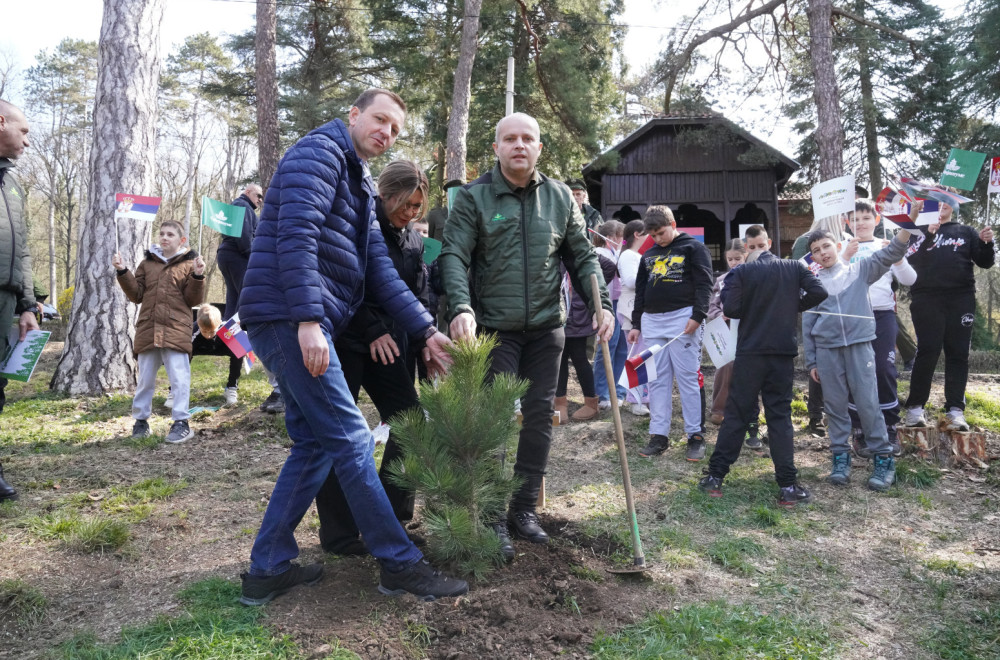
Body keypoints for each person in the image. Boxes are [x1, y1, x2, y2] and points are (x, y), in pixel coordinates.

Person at [237, 88, 467, 605]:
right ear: (354, 115)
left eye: (394, 129)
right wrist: (308, 320)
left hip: (291, 318)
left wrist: (427, 330)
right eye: (379, 119)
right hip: (283, 317)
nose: (385, 132)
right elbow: (296, 238)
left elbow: (379, 272)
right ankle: (398, 563)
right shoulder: (317, 154)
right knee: (352, 438)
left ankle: (267, 567)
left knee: (316, 444)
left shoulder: (358, 178)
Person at [440, 112, 613, 560]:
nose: (519, 145)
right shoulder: (473, 198)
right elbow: (454, 256)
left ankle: (523, 509)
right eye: (510, 139)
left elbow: (583, 258)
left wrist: (602, 305)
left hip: (545, 329)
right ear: (496, 148)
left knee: (540, 416)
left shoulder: (559, 198)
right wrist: (461, 307)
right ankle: (494, 515)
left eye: (528, 139)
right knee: (498, 419)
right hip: (493, 329)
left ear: (539, 148)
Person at [315, 160, 431, 555]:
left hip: (392, 347)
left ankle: (393, 515)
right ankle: (339, 534)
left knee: (411, 423)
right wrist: (371, 329)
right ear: (385, 194)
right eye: (405, 203)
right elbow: (343, 285)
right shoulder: (356, 228)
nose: (410, 213)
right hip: (347, 341)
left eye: (417, 206)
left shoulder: (414, 240)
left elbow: (414, 297)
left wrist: (421, 341)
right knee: (340, 437)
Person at [700, 246, 828, 506]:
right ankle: (788, 486)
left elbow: (732, 309)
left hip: (750, 352)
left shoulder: (742, 272)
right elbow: (819, 291)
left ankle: (715, 477)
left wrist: (756, 307)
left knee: (736, 413)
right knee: (779, 416)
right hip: (782, 352)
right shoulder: (794, 267)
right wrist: (792, 306)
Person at [804, 227, 911, 492]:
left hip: (860, 347)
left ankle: (883, 459)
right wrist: (812, 361)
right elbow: (808, 325)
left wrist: (906, 227)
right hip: (828, 353)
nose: (822, 253)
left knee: (867, 402)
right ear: (813, 257)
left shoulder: (859, 271)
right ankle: (840, 458)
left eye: (826, 246)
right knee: (835, 406)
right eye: (816, 251)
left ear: (837, 247)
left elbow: (889, 254)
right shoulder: (813, 285)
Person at [626, 206, 713, 461]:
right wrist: (636, 323)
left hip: (683, 318)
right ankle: (658, 435)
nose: (658, 239)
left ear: (673, 224)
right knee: (657, 379)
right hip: (652, 321)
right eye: (653, 235)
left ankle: (695, 435)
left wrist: (698, 315)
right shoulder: (649, 254)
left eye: (662, 233)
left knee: (687, 377)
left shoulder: (693, 248)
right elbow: (641, 291)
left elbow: (704, 283)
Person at [902, 199, 995, 431]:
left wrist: (987, 243)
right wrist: (929, 235)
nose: (942, 204)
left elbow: (985, 262)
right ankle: (914, 409)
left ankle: (955, 411)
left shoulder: (966, 231)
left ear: (954, 205)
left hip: (961, 298)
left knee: (958, 353)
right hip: (926, 298)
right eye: (937, 199)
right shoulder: (916, 231)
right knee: (928, 351)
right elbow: (909, 262)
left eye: (947, 200)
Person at [113, 221, 206, 444]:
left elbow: (193, 300)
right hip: (148, 328)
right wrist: (122, 271)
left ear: (181, 240)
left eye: (170, 235)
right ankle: (141, 421)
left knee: (179, 378)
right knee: (145, 379)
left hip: (176, 329)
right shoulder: (147, 264)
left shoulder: (189, 264)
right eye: (162, 234)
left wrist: (198, 276)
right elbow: (136, 295)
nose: (165, 238)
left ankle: (181, 423)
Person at [840, 199, 916, 457]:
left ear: (877, 220)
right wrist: (843, 257)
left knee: (883, 368)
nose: (860, 223)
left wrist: (898, 259)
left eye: (865, 218)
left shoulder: (886, 246)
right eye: (855, 219)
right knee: (856, 372)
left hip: (882, 316)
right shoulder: (842, 247)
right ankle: (860, 429)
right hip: (852, 317)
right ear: (847, 222)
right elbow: (831, 282)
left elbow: (910, 280)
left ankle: (890, 425)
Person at [0, 100, 39, 503]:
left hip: (6, 303)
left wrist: (27, 305)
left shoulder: (11, 184)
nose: (27, 140)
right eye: (23, 130)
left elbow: (23, 250)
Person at [555, 230, 618, 422]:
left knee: (580, 357)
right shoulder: (553, 253)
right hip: (557, 313)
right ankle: (560, 404)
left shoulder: (579, 251)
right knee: (560, 360)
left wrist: (587, 294)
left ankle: (591, 403)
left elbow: (608, 267)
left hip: (578, 315)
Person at [707, 238, 746, 429]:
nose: (734, 263)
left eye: (737, 258)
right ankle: (719, 409)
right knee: (725, 366)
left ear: (745, 256)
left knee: (748, 369)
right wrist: (718, 315)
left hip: (749, 330)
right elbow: (712, 306)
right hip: (727, 330)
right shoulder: (721, 281)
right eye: (730, 259)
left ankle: (746, 411)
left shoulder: (754, 277)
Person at [592, 220, 629, 410]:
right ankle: (602, 393)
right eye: (622, 239)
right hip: (607, 304)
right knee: (607, 345)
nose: (623, 243)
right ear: (614, 237)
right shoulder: (598, 253)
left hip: (623, 304)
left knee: (623, 347)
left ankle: (619, 391)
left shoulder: (619, 253)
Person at [617, 219, 649, 415]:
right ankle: (636, 399)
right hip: (631, 310)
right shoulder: (630, 255)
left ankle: (641, 398)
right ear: (637, 234)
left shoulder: (632, 255)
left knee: (641, 354)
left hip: (634, 309)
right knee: (637, 355)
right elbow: (630, 281)